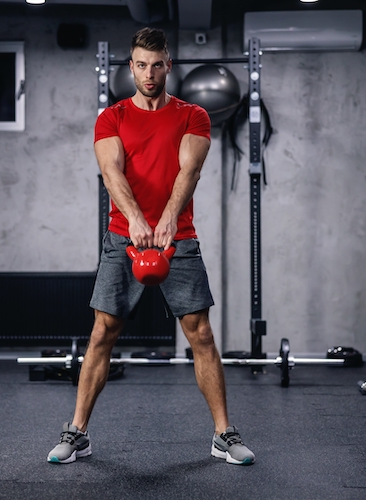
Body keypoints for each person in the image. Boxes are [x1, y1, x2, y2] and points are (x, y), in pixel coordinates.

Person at [47, 27, 255, 466]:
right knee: (103, 331)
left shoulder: (192, 115)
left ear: (168, 66)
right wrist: (139, 219)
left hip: (178, 238)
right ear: (131, 66)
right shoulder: (112, 117)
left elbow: (189, 171)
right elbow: (111, 173)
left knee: (200, 332)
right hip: (124, 237)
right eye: (141, 65)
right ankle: (77, 431)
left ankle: (223, 434)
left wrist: (166, 221)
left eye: (156, 64)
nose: (148, 73)